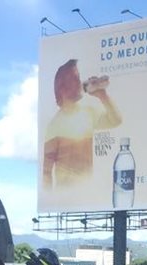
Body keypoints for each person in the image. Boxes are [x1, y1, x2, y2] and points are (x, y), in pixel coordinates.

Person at [42, 59, 122, 190]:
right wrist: (53, 200)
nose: (80, 83)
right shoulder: (54, 126)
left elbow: (116, 120)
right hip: (67, 197)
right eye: (75, 79)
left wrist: (103, 95)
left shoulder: (88, 113)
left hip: (88, 194)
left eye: (78, 78)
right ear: (62, 87)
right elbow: (46, 173)